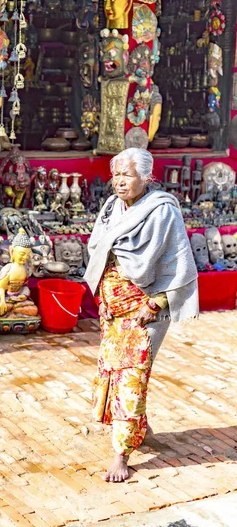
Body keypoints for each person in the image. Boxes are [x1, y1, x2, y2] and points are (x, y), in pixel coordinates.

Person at [84, 148, 198, 483]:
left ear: (147, 177)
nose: (120, 182)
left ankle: (121, 454)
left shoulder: (163, 212)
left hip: (142, 311)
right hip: (113, 311)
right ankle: (139, 428)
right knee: (113, 372)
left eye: (127, 175)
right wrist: (102, 296)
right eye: (116, 175)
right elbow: (100, 253)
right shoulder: (110, 208)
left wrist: (156, 304)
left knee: (131, 378)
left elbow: (177, 263)